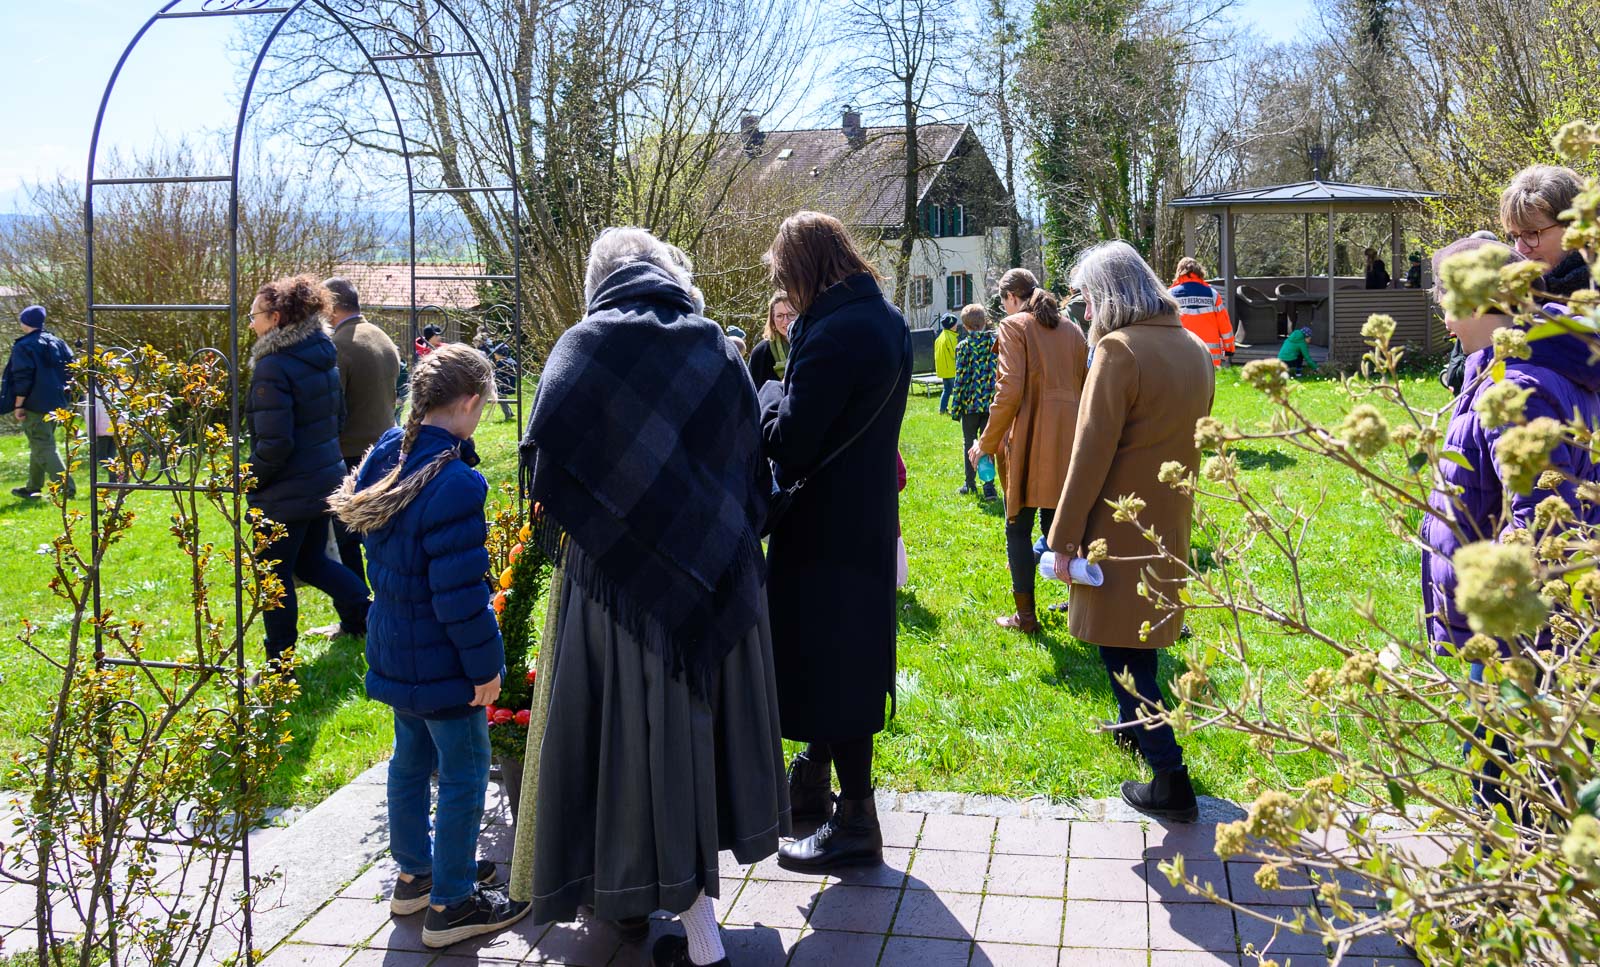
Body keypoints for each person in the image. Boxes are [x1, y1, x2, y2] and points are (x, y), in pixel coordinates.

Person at [522, 228, 787, 967]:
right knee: (690, 744)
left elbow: (547, 464)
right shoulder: (715, 347)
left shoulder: (579, 344)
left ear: (598, 279)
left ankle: (660, 919)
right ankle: (695, 930)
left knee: (630, 747)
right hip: (714, 585)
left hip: (611, 594)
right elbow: (748, 466)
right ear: (667, 275)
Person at [328, 343, 525, 948]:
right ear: (467, 403)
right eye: (483, 406)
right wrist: (487, 666)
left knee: (410, 761)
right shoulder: (456, 484)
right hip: (443, 658)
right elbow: (460, 594)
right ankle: (453, 904)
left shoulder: (387, 451)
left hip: (394, 642)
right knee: (465, 771)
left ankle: (416, 874)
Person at [1419, 235, 1600, 818]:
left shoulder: (1516, 386)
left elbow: (1544, 516)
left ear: (1475, 299)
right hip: (1515, 629)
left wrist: (1509, 617)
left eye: (1444, 296)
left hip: (1521, 634)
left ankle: (1507, 900)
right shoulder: (1499, 370)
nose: (1440, 313)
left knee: (1504, 784)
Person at [759, 211, 910, 873]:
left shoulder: (830, 333)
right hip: (867, 516)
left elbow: (792, 442)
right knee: (847, 658)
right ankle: (814, 780)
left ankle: (856, 821)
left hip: (822, 527)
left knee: (834, 664)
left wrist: (764, 393)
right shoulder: (885, 319)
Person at [1047, 240, 1215, 823]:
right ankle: (1141, 743)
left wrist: (1061, 539)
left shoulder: (1119, 351)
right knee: (1135, 646)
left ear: (1110, 296)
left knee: (1124, 655)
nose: (1085, 314)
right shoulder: (1194, 347)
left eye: (1089, 301)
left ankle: (1170, 775)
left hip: (1116, 531)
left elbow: (1088, 455)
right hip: (1168, 526)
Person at [245, 275, 370, 669]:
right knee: (311, 562)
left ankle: (278, 664)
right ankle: (369, 616)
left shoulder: (273, 366)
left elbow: (274, 444)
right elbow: (339, 419)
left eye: (255, 315)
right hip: (323, 479)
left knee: (274, 577)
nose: (250, 323)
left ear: (276, 317)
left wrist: (247, 478)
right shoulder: (322, 354)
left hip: (285, 492)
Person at [969, 268, 1088, 634]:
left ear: (1010, 298)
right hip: (1070, 438)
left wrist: (985, 443)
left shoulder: (1013, 325)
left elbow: (1008, 390)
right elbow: (1085, 384)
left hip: (1030, 438)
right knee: (1061, 525)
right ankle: (1080, 608)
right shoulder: (1072, 328)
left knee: (1018, 527)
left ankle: (1026, 617)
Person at [324, 277, 401, 615]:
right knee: (382, 535)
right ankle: (387, 602)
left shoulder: (340, 345)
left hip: (350, 454)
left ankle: (356, 615)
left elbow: (333, 407)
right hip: (386, 445)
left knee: (348, 540)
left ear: (331, 307)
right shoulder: (382, 336)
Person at [2, 305, 76, 500]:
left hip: (35, 404)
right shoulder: (58, 342)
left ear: (24, 322)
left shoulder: (24, 346)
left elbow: (22, 377)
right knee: (40, 443)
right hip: (58, 402)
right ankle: (32, 487)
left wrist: (18, 405)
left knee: (43, 445)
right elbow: (72, 370)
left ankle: (67, 489)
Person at [1501, 165, 1591, 300]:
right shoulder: (1518, 301)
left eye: (1532, 233)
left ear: (1574, 225)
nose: (1519, 249)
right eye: (1514, 236)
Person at [950, 303, 998, 500]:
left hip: (969, 406)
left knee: (968, 443)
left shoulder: (963, 347)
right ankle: (989, 486)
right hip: (989, 404)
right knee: (987, 444)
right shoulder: (994, 344)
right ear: (984, 322)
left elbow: (960, 378)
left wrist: (956, 407)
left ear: (965, 326)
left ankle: (969, 483)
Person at [1169, 258, 1234, 368]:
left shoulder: (1170, 295)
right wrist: (1229, 349)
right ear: (1199, 272)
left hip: (1181, 351)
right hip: (1209, 354)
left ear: (1179, 272)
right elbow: (1224, 324)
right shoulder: (1212, 294)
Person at [747, 291, 795, 388]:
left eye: (791, 314)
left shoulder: (810, 345)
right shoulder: (761, 352)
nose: (786, 321)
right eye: (779, 316)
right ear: (773, 319)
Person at [933, 314, 959, 414]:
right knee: (957, 391)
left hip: (943, 370)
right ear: (951, 325)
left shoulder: (940, 337)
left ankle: (942, 409)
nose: (956, 325)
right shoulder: (951, 337)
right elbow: (955, 353)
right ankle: (956, 410)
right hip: (951, 370)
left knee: (947, 390)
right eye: (955, 323)